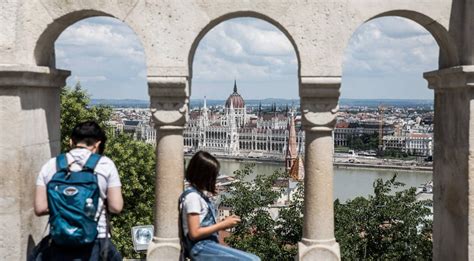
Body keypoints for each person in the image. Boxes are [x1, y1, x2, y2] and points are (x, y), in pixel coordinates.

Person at [34, 121, 123, 260]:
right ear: (98, 144)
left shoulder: (50, 165)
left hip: (60, 240)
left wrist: (65, 205)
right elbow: (116, 207)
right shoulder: (105, 164)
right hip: (95, 239)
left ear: (71, 141)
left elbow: (40, 208)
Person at [179, 151, 260, 260]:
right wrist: (223, 224)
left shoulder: (198, 195)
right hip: (200, 247)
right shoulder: (193, 198)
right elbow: (194, 233)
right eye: (214, 175)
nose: (215, 179)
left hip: (206, 245)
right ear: (204, 176)